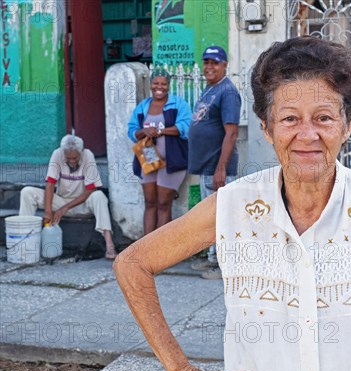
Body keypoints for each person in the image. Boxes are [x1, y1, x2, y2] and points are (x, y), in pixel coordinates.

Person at [114, 36, 351, 371]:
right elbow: (132, 264)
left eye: (323, 117)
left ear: (347, 124)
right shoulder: (232, 208)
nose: (307, 135)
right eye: (290, 118)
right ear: (267, 128)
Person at [187, 45, 242, 274]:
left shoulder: (227, 92)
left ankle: (225, 266)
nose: (209, 66)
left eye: (215, 62)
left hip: (217, 167)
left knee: (222, 217)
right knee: (212, 217)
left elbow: (231, 132)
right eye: (206, 62)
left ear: (224, 65)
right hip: (207, 166)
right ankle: (213, 257)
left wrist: (221, 168)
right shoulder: (210, 89)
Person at [20, 135, 117, 259]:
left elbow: (91, 189)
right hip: (60, 202)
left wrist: (64, 208)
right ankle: (23, 240)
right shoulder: (57, 154)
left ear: (81, 152)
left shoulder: (88, 155)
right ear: (63, 153)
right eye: (68, 158)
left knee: (99, 196)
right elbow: (50, 183)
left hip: (82, 205)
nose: (72, 161)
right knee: (27, 192)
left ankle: (110, 246)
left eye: (75, 158)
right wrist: (48, 212)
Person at [128, 68, 192, 236]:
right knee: (150, 203)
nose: (160, 87)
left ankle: (161, 251)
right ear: (150, 85)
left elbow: (186, 127)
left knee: (164, 204)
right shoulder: (143, 107)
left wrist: (161, 131)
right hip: (148, 161)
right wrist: (144, 132)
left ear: (168, 86)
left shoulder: (178, 104)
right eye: (156, 83)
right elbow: (132, 131)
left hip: (172, 162)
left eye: (163, 84)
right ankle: (145, 248)